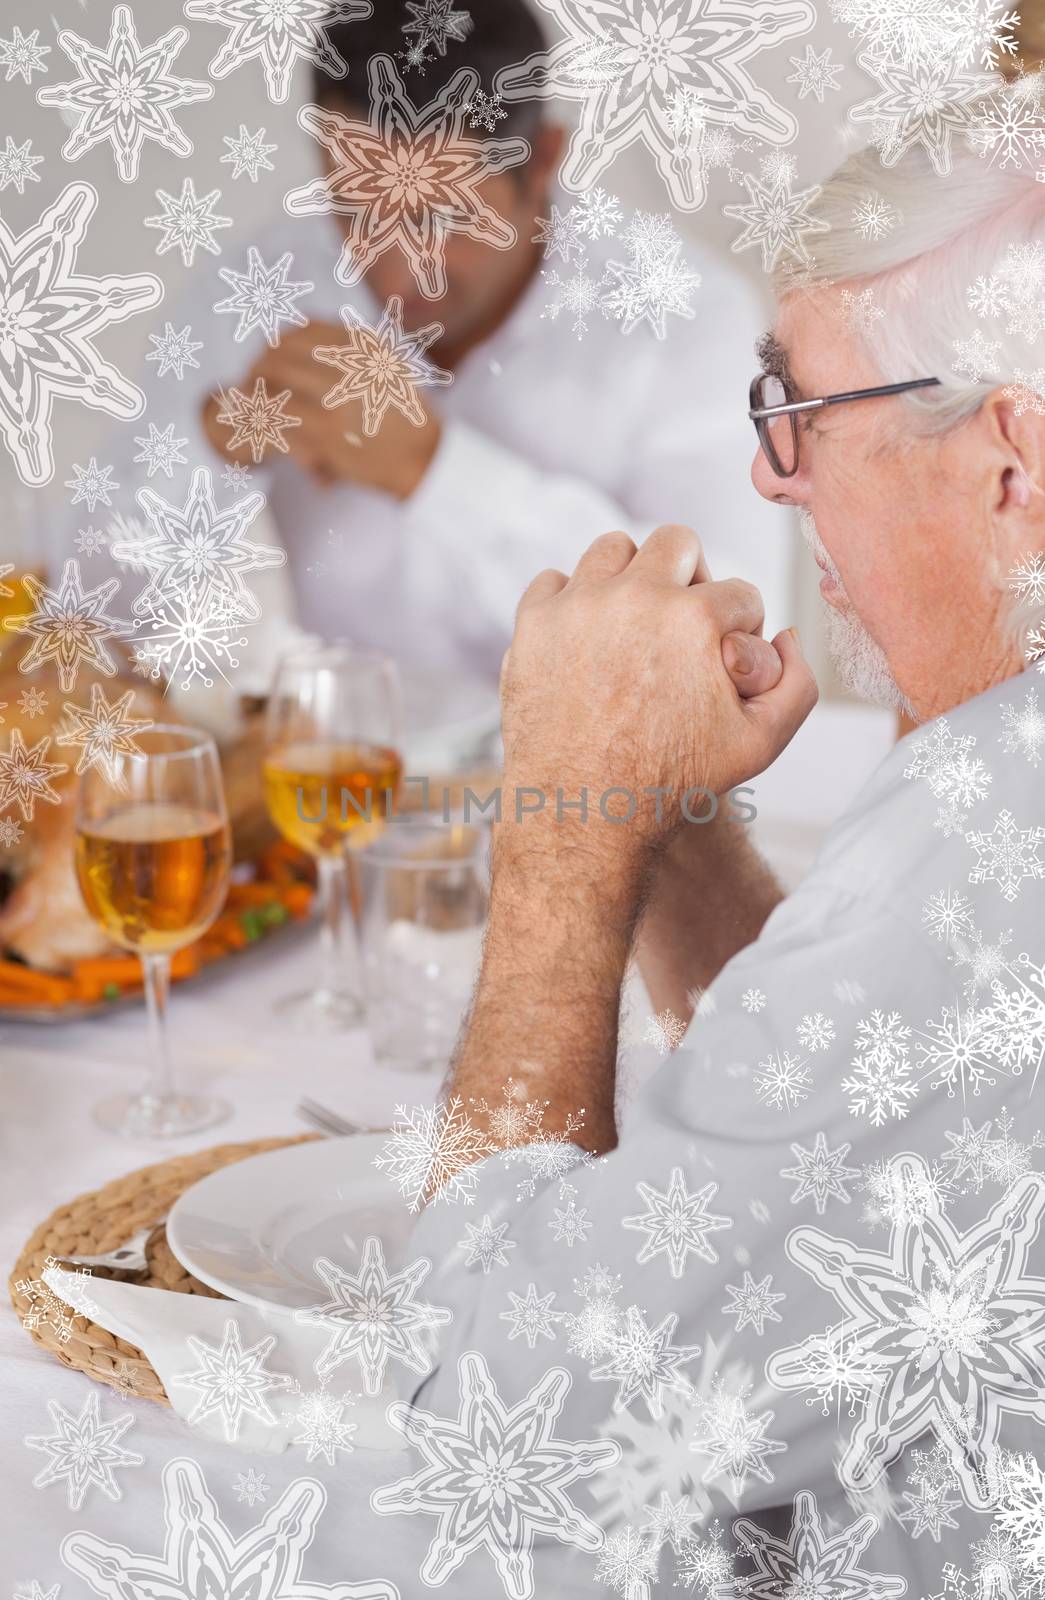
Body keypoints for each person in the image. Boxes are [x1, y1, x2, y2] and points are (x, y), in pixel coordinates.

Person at [369, 130, 1045, 1595]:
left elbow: (496, 1427)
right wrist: (655, 818)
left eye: (801, 407)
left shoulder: (995, 833)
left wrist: (561, 818)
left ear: (1014, 461)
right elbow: (833, 1175)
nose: (769, 472)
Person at [88, 0, 788, 681]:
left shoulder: (685, 314)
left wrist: (431, 468)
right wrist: (208, 451)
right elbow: (96, 608)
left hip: (606, 783)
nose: (396, 271)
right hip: (337, 772)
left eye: (444, 218)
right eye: (356, 210)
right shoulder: (256, 289)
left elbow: (736, 638)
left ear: (541, 161)